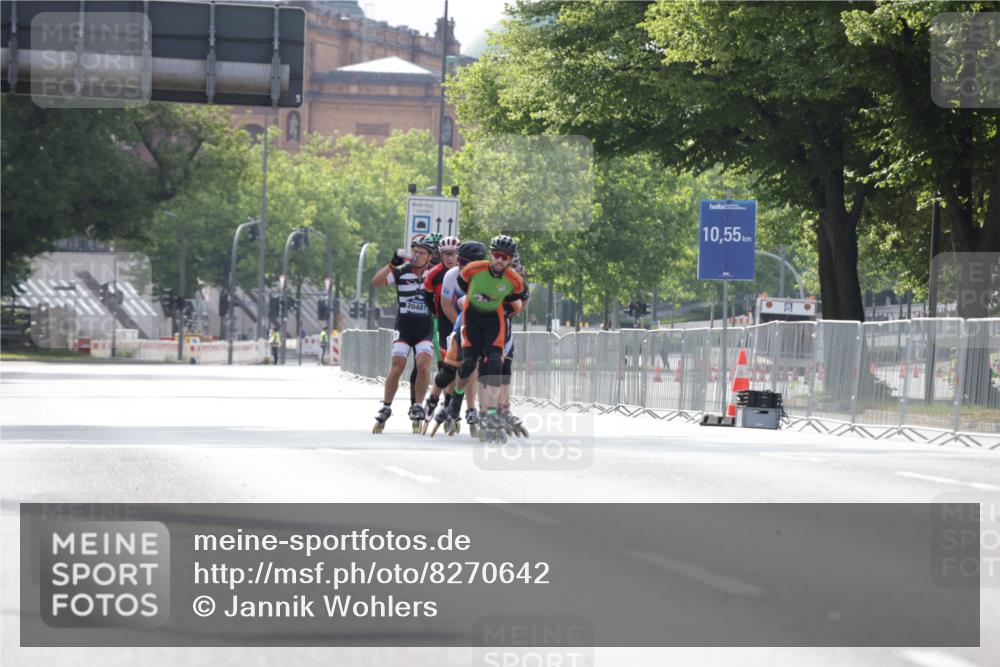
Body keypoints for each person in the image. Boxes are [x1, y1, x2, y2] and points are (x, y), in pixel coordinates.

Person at [442, 235, 528, 443]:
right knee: (469, 364)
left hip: (497, 325)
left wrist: (507, 307)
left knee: (496, 368)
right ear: (491, 256)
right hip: (472, 321)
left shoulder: (514, 281)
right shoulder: (475, 271)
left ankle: (494, 415)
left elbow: (520, 303)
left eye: (506, 258)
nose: (501, 261)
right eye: (497, 256)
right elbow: (461, 294)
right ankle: (456, 397)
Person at [369, 237, 436, 433]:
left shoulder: (433, 275)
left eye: (421, 253)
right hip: (404, 327)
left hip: (425, 327)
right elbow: (377, 282)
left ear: (429, 257)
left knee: (424, 366)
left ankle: (417, 404)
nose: (416, 255)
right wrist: (392, 264)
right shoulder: (402, 271)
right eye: (414, 251)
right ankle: (386, 406)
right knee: (397, 367)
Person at [426, 240, 487, 434]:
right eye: (458, 260)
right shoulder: (451, 276)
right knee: (449, 371)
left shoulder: (487, 276)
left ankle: (470, 408)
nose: (459, 265)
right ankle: (434, 398)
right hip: (455, 321)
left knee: (472, 365)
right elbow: (445, 305)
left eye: (464, 262)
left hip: (476, 324)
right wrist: (460, 328)